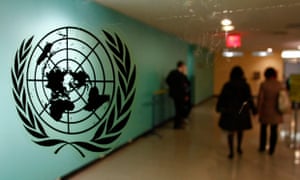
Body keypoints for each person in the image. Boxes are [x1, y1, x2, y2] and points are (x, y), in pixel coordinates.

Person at [216, 66, 256, 159]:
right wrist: (254, 109)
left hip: (230, 112)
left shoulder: (227, 85)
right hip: (242, 112)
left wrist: (218, 108)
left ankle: (231, 152)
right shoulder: (245, 85)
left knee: (230, 132)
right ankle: (239, 147)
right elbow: (249, 98)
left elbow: (222, 98)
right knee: (240, 130)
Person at [257, 67, 283, 155]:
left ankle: (262, 147)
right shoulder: (280, 84)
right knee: (274, 130)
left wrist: (258, 110)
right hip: (277, 110)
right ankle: (272, 149)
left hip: (266, 110)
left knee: (263, 129)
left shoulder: (264, 84)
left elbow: (260, 99)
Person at [166, 61, 191, 129]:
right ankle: (177, 125)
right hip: (178, 95)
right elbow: (169, 81)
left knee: (180, 109)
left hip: (178, 95)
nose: (185, 68)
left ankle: (179, 123)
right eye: (184, 67)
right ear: (181, 66)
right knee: (179, 110)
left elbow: (187, 84)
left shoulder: (177, 73)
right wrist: (175, 88)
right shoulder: (176, 74)